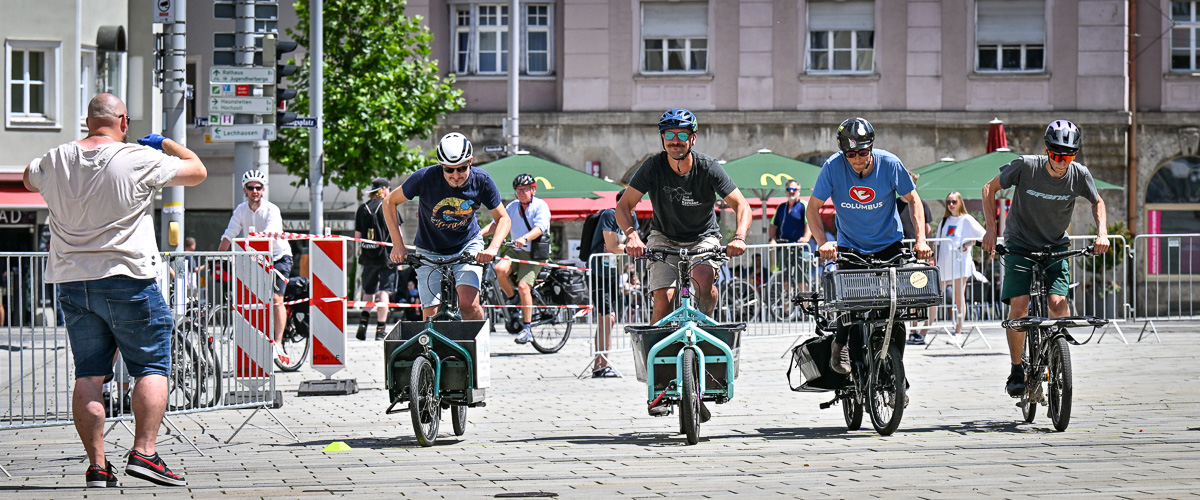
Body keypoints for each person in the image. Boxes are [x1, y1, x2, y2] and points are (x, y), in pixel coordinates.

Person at [23, 93, 205, 487]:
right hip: (127, 277)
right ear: (123, 121)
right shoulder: (136, 158)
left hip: (72, 281)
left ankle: (98, 467)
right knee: (151, 365)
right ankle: (145, 453)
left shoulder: (56, 158)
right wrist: (164, 143)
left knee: (89, 373)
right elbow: (196, 171)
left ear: (88, 121)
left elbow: (27, 174)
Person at [982, 119, 1109, 398]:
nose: (1062, 162)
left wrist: (1102, 233)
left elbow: (1097, 201)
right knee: (1020, 304)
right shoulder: (1026, 166)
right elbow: (988, 189)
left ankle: (1056, 350)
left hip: (1055, 245)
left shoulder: (1079, 174)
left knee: (1057, 303)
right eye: (1057, 155)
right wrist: (992, 230)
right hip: (1020, 243)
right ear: (1046, 150)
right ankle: (1017, 368)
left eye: (1069, 155)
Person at [806, 117, 932, 375]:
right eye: (851, 153)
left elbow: (914, 201)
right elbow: (813, 208)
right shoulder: (832, 167)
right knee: (848, 300)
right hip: (851, 246)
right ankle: (840, 344)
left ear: (871, 148)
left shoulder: (890, 164)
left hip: (888, 245)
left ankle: (897, 374)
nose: (857, 158)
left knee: (894, 310)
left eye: (863, 152)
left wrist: (921, 240)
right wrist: (822, 243)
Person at [617, 108, 752, 324]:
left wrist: (739, 237)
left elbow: (742, 205)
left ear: (693, 138)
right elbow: (624, 206)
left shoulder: (708, 168)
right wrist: (632, 236)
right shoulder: (653, 167)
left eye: (682, 135)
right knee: (664, 299)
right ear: (663, 138)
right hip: (664, 237)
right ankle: (657, 354)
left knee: (703, 281)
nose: (675, 141)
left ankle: (707, 321)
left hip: (703, 238)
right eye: (669, 135)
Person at [383, 132, 510, 320]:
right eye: (449, 170)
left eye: (461, 168)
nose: (456, 175)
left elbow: (503, 218)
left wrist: (492, 248)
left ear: (471, 162)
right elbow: (388, 202)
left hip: (466, 245)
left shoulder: (481, 180)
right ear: (441, 166)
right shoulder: (425, 177)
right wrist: (398, 245)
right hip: (429, 248)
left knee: (469, 304)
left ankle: (477, 348)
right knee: (431, 314)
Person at [218, 169, 294, 366]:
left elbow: (271, 232)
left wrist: (251, 240)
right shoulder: (241, 210)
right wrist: (218, 258)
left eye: (258, 188)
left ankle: (278, 343)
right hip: (256, 259)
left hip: (278, 257)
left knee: (277, 299)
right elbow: (229, 234)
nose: (255, 191)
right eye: (251, 187)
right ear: (245, 189)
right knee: (253, 300)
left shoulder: (272, 210)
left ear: (263, 189)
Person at [482, 173, 550, 344]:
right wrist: (478, 234)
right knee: (499, 269)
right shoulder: (512, 207)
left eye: (525, 190)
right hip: (515, 252)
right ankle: (513, 300)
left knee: (523, 285)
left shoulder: (541, 206)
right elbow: (497, 223)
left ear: (533, 190)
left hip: (533, 252)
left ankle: (527, 329)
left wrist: (525, 238)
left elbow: (540, 228)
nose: (521, 193)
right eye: (518, 190)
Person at [589, 188, 636, 378]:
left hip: (612, 272)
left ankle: (600, 364)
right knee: (607, 317)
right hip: (599, 271)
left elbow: (629, 244)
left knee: (609, 318)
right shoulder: (609, 215)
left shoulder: (632, 219)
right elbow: (612, 246)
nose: (634, 208)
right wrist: (634, 249)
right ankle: (602, 363)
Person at [934, 191, 987, 342]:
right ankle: (924, 331)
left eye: (954, 202)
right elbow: (937, 243)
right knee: (935, 297)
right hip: (944, 264)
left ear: (960, 203)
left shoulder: (967, 219)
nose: (951, 205)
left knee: (959, 298)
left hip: (960, 264)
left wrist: (969, 242)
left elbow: (982, 234)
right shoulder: (944, 221)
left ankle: (958, 332)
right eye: (948, 202)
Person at [354, 177, 403, 341]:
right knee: (384, 291)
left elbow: (357, 237)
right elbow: (399, 233)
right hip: (387, 257)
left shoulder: (362, 209)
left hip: (368, 257)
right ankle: (380, 330)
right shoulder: (389, 207)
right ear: (385, 189)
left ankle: (363, 321)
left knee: (368, 291)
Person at [896, 170, 935, 344]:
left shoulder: (921, 203)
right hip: (898, 253)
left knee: (919, 289)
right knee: (903, 293)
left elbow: (927, 229)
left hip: (917, 254)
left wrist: (929, 249)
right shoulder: (894, 203)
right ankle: (909, 329)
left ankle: (919, 330)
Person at [769, 179, 813, 279]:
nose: (791, 191)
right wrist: (771, 239)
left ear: (799, 191)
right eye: (789, 189)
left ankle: (805, 294)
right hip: (784, 247)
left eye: (794, 189)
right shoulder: (781, 207)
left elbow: (809, 223)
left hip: (800, 248)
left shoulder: (803, 206)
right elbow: (773, 225)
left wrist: (806, 238)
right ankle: (787, 294)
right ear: (785, 191)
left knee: (801, 278)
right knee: (785, 277)